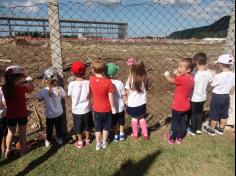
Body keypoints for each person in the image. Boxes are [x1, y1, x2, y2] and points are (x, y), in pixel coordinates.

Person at [2, 65, 34, 158]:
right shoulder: (21, 88)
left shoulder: (4, 88)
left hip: (10, 115)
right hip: (21, 114)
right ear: (18, 78)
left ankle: (8, 150)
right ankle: (23, 150)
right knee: (22, 132)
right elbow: (31, 89)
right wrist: (30, 81)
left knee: (10, 132)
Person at [203, 54, 235, 136]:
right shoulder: (233, 75)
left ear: (220, 64)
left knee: (214, 113)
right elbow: (233, 86)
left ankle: (211, 130)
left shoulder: (219, 76)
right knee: (224, 113)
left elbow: (213, 84)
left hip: (217, 96)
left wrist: (213, 76)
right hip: (226, 96)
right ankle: (220, 129)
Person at [164, 58, 194, 144]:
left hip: (178, 106)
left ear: (188, 70)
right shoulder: (191, 78)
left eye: (181, 67)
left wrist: (166, 75)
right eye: (179, 66)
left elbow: (171, 81)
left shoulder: (182, 79)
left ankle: (172, 138)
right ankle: (180, 137)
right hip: (186, 105)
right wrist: (179, 74)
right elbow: (181, 82)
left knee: (174, 122)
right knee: (182, 122)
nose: (179, 68)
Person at [89, 59, 116, 150]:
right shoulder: (108, 82)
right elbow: (110, 96)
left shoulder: (91, 79)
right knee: (105, 126)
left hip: (96, 108)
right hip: (106, 108)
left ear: (92, 69)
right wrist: (113, 107)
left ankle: (97, 143)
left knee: (97, 127)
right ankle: (104, 142)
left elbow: (90, 92)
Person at [37, 67, 66, 147]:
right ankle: (59, 138)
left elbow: (38, 99)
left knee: (49, 128)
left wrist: (44, 97)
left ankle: (48, 140)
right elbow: (64, 97)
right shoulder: (60, 89)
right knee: (58, 127)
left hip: (49, 114)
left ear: (46, 81)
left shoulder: (43, 91)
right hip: (59, 112)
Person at [68, 61, 94, 149]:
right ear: (84, 72)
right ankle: (87, 139)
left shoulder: (71, 84)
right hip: (87, 108)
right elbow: (91, 94)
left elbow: (69, 94)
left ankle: (79, 141)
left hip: (77, 110)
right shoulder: (88, 82)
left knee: (78, 127)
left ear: (72, 72)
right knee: (87, 126)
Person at [187, 53, 213, 136]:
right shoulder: (208, 73)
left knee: (193, 114)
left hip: (194, 98)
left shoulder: (195, 74)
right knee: (199, 113)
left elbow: (190, 84)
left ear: (196, 63)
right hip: (202, 98)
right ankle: (198, 129)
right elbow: (210, 81)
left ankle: (193, 129)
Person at [125, 60, 150, 140]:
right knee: (142, 118)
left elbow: (127, 92)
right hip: (142, 104)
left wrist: (126, 101)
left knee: (134, 118)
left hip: (133, 105)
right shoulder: (145, 78)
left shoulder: (130, 79)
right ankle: (145, 134)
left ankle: (135, 134)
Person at [106, 63, 127, 142]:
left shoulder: (105, 82)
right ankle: (121, 134)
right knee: (121, 121)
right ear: (115, 73)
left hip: (111, 108)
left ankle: (115, 135)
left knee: (114, 122)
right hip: (120, 107)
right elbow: (124, 95)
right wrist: (126, 103)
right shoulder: (119, 82)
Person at [0, 86, 7, 158]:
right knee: (4, 132)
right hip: (2, 115)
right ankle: (3, 148)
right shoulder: (1, 89)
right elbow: (4, 102)